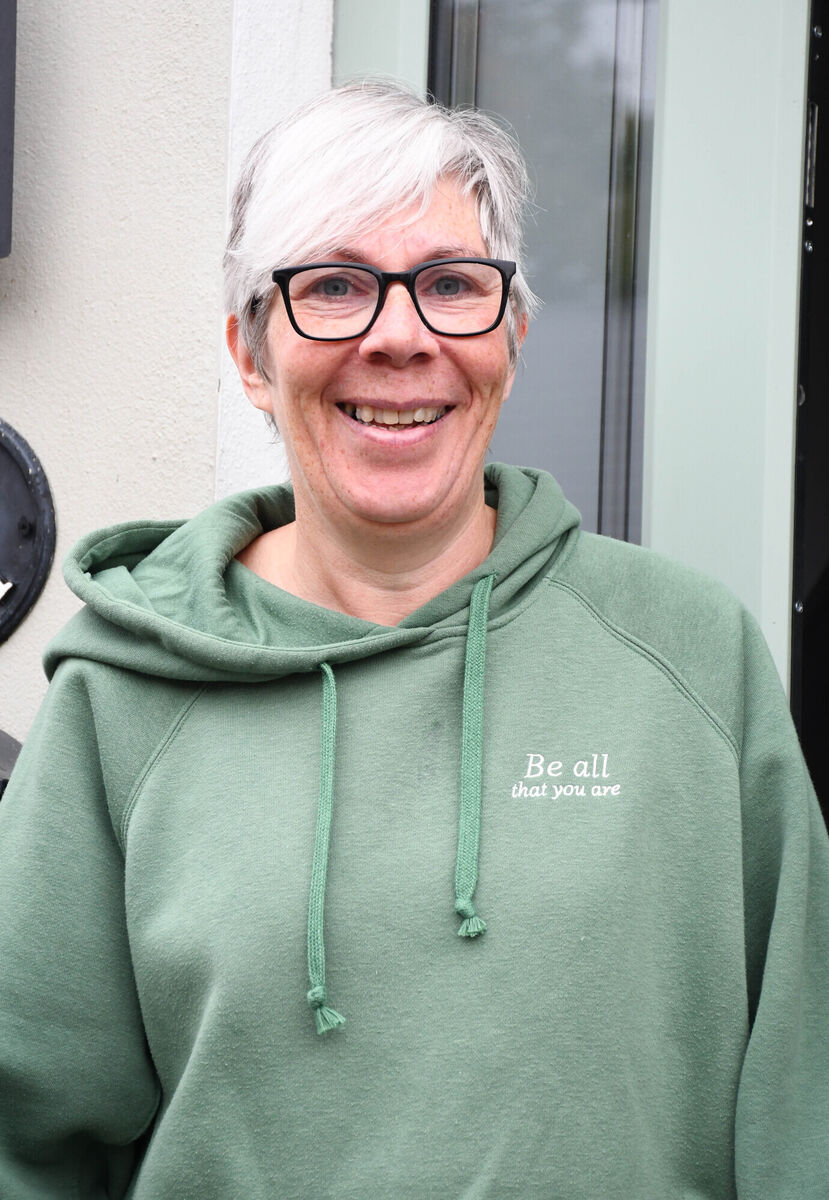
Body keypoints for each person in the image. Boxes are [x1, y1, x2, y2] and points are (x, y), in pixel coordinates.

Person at [0, 81, 826, 1200]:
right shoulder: (120, 705)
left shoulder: (690, 657)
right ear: (251, 353)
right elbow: (27, 1142)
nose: (401, 337)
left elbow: (800, 1111)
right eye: (334, 285)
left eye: (450, 285)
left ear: (511, 336)